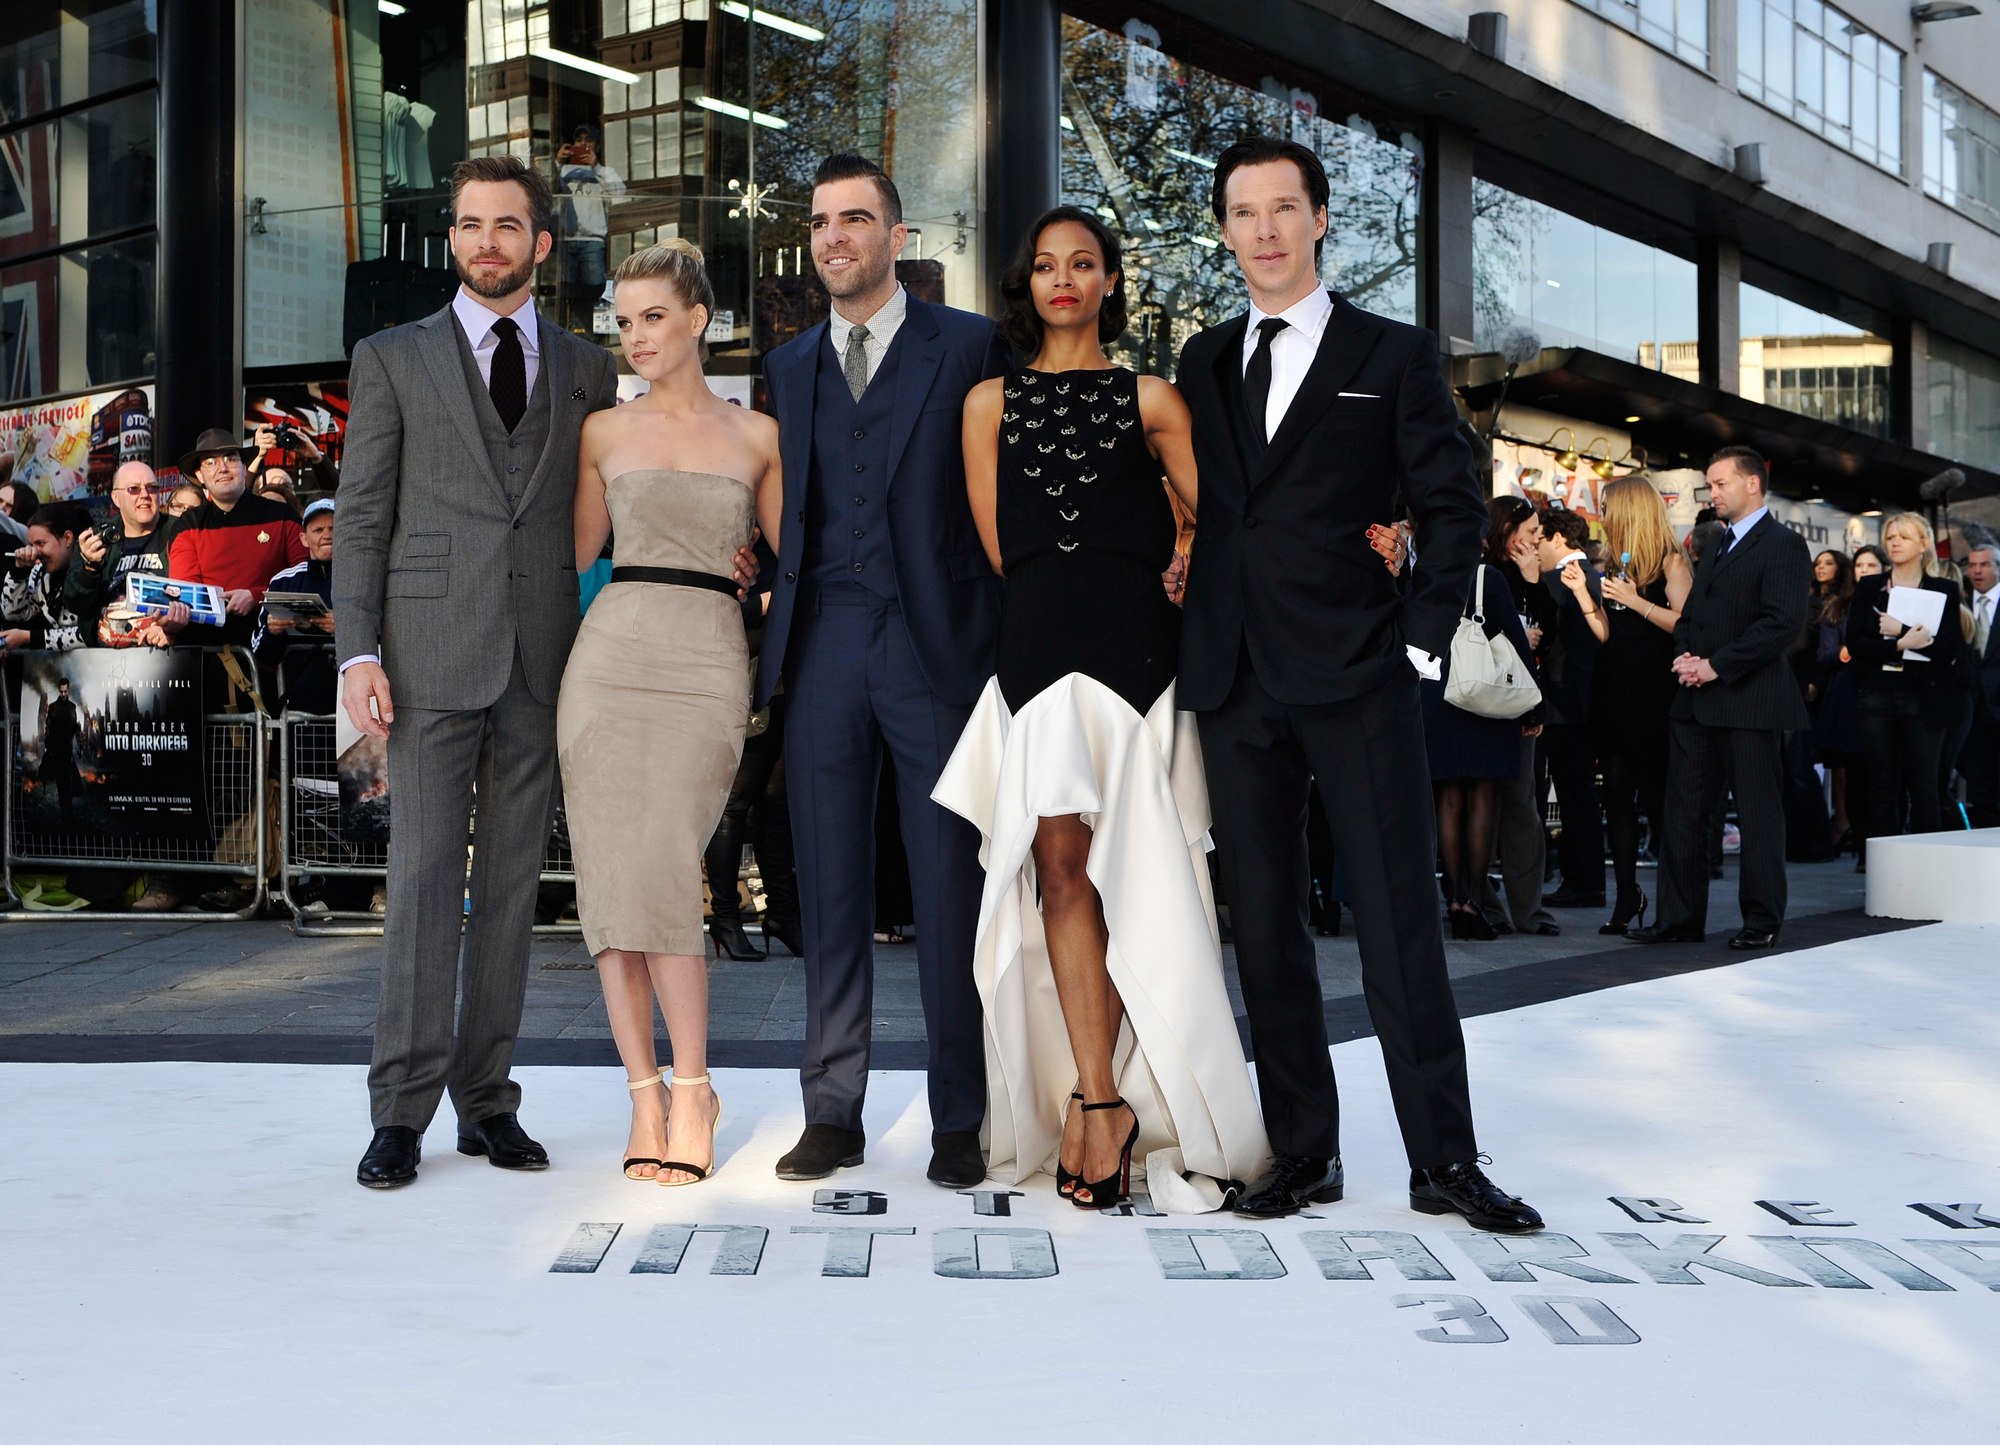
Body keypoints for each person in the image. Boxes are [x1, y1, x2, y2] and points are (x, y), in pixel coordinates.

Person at [1173, 135, 1539, 1232]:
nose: (1265, 229)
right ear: (1224, 230)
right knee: (1266, 927)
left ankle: (1443, 1159)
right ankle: (1303, 1150)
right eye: (1244, 212)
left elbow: (1451, 506)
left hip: (1360, 672)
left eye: (1284, 207)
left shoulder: (1393, 352)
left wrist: (1419, 642)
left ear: (1321, 218)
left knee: (1396, 922)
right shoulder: (1201, 358)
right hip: (1235, 677)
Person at [932, 205, 1269, 1210]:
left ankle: (1126, 1097)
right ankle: (1097, 1095)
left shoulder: (1153, 397)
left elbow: (1223, 522)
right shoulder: (986, 403)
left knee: (1139, 876)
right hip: (1037, 650)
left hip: (1135, 654)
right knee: (1058, 869)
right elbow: (1001, 547)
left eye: (1083, 263)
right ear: (1027, 284)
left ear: (1111, 281)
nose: (1063, 279)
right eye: (1046, 266)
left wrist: (1180, 551)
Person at [335, 155, 621, 1191]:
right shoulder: (391, 355)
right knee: (420, 882)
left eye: (506, 225)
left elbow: (602, 507)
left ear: (541, 242)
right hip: (425, 653)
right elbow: (361, 513)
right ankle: (399, 1111)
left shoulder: (588, 367)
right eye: (469, 225)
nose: (486, 242)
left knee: (510, 889)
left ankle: (488, 1099)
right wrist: (357, 650)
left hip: (542, 653)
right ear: (451, 237)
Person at [755, 153, 1007, 1190]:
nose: (834, 237)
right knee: (828, 884)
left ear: (896, 237)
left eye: (855, 218)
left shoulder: (970, 344)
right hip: (822, 641)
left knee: (948, 885)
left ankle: (960, 1116)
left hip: (934, 644)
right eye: (821, 221)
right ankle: (832, 1109)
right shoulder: (788, 365)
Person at [558, 240, 778, 1186]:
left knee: (662, 866)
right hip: (609, 659)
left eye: (654, 317)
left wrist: (758, 570)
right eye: (624, 321)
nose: (637, 336)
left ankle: (695, 1087)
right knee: (613, 881)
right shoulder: (602, 433)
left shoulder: (759, 435)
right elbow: (573, 558)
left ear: (698, 319)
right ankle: (646, 1093)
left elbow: (797, 564)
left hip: (706, 660)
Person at [1628, 446, 1810, 950]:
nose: (1712, 493)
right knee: (1683, 814)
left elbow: (1781, 624)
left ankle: (1762, 919)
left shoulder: (1785, 545)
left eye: (1720, 483)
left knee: (1757, 816)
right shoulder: (1717, 545)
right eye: (1709, 484)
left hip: (1750, 702)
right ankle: (1679, 919)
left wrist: (1716, 665)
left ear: (1752, 483)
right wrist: (1686, 658)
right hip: (1695, 703)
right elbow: (1690, 617)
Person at [1421, 514, 1540, 942]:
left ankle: (1454, 902)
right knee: (1483, 798)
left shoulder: (1423, 576)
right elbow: (1517, 642)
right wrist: (1533, 708)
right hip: (1484, 694)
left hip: (1438, 694)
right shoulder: (1487, 577)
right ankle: (1473, 902)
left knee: (1449, 798)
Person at [1593, 475, 1691, 935]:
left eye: (1607, 508)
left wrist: (1635, 602)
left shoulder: (1671, 561)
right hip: (1614, 689)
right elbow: (1608, 633)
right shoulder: (1613, 562)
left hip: (1655, 692)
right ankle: (1626, 896)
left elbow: (1685, 625)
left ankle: (1675, 903)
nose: (1602, 517)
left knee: (1657, 797)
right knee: (1616, 797)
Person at [1843, 512, 1963, 854]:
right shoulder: (1870, 586)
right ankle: (1886, 867)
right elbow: (1855, 644)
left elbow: (1950, 650)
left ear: (1923, 544)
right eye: (1891, 537)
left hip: (1924, 697)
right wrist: (1898, 645)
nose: (1895, 542)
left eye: (1904, 537)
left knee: (1924, 787)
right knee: (1881, 787)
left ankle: (1926, 865)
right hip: (1876, 694)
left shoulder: (1944, 589)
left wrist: (1903, 631)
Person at [1483, 500, 1560, 938]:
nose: (1536, 539)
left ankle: (1529, 910)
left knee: (1521, 806)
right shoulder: (1480, 570)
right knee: (1477, 806)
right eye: (1530, 530)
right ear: (1507, 529)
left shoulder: (1529, 574)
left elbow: (1547, 637)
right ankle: (1479, 903)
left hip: (1519, 700)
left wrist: (1533, 583)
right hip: (1477, 699)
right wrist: (1514, 633)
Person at [167, 429, 307, 645]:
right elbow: (186, 595)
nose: (222, 468)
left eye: (231, 459)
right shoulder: (187, 526)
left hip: (277, 649)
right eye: (210, 462)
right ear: (199, 475)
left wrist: (256, 596)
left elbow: (307, 585)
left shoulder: (283, 516)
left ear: (244, 467)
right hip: (208, 650)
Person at [1536, 507, 1608, 908]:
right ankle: (1584, 880)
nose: (1536, 548)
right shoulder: (1590, 575)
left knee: (1574, 795)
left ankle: (1582, 881)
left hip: (1564, 706)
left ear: (1558, 539)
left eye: (1540, 540)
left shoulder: (1561, 579)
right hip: (1583, 703)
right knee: (1579, 795)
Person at [66, 462, 187, 647]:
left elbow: (198, 596)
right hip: (105, 657)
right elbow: (75, 603)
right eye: (134, 489)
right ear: (116, 498)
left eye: (152, 488)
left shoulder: (181, 531)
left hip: (165, 654)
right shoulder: (98, 538)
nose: (145, 495)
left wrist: (176, 631)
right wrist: (89, 567)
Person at [253, 498, 337, 714]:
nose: (327, 535)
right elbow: (261, 654)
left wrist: (345, 628)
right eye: (318, 530)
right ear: (304, 539)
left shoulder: (365, 578)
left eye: (333, 528)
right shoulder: (283, 581)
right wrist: (273, 630)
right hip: (299, 707)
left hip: (353, 702)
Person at [1803, 548, 1858, 850]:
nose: (1821, 567)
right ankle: (1839, 821)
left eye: (1828, 563)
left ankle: (1845, 821)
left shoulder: (1844, 603)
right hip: (1817, 681)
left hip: (1834, 685)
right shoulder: (1809, 600)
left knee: (1843, 762)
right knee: (1830, 761)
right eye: (1817, 563)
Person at [555, 127, 626, 332]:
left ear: (598, 146)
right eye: (579, 140)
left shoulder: (605, 172)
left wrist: (596, 166)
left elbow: (619, 193)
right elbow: (542, 189)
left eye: (589, 140)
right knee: (566, 289)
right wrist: (557, 162)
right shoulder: (563, 171)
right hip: (566, 238)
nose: (583, 144)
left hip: (594, 239)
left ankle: (593, 330)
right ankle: (571, 328)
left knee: (594, 287)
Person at [3, 502, 91, 654]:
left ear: (67, 538)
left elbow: (90, 632)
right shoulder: (41, 574)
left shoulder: (93, 569)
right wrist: (19, 571)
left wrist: (29, 638)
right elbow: (13, 613)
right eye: (31, 545)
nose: (35, 552)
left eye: (41, 543)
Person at [1960, 540, 2000, 829]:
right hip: (1970, 709)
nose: (1977, 571)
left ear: (1998, 568)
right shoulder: (1958, 605)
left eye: (1984, 564)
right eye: (1972, 565)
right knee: (1979, 786)